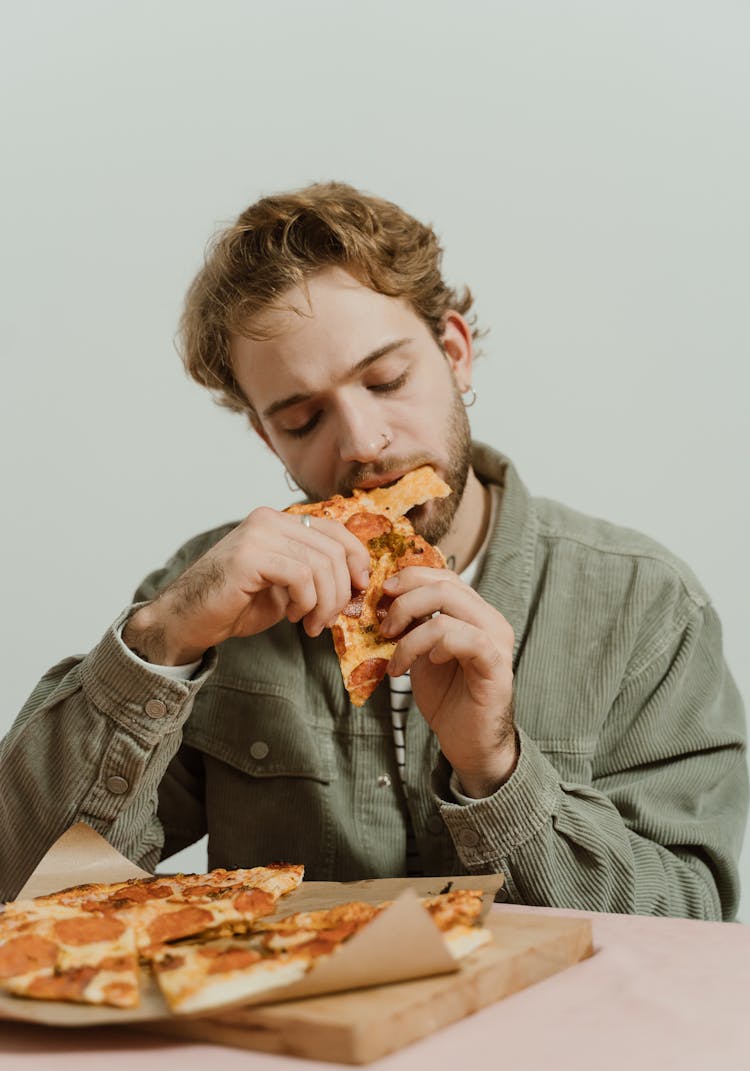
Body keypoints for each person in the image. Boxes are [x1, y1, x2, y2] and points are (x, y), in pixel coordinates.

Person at [1, 183, 746, 919]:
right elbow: (26, 887)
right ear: (267, 437)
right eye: (301, 419)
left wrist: (496, 768)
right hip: (284, 1038)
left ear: (455, 353)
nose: (362, 443)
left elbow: (693, 926)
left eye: (386, 379)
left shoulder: (645, 605)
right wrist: (161, 641)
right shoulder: (208, 603)